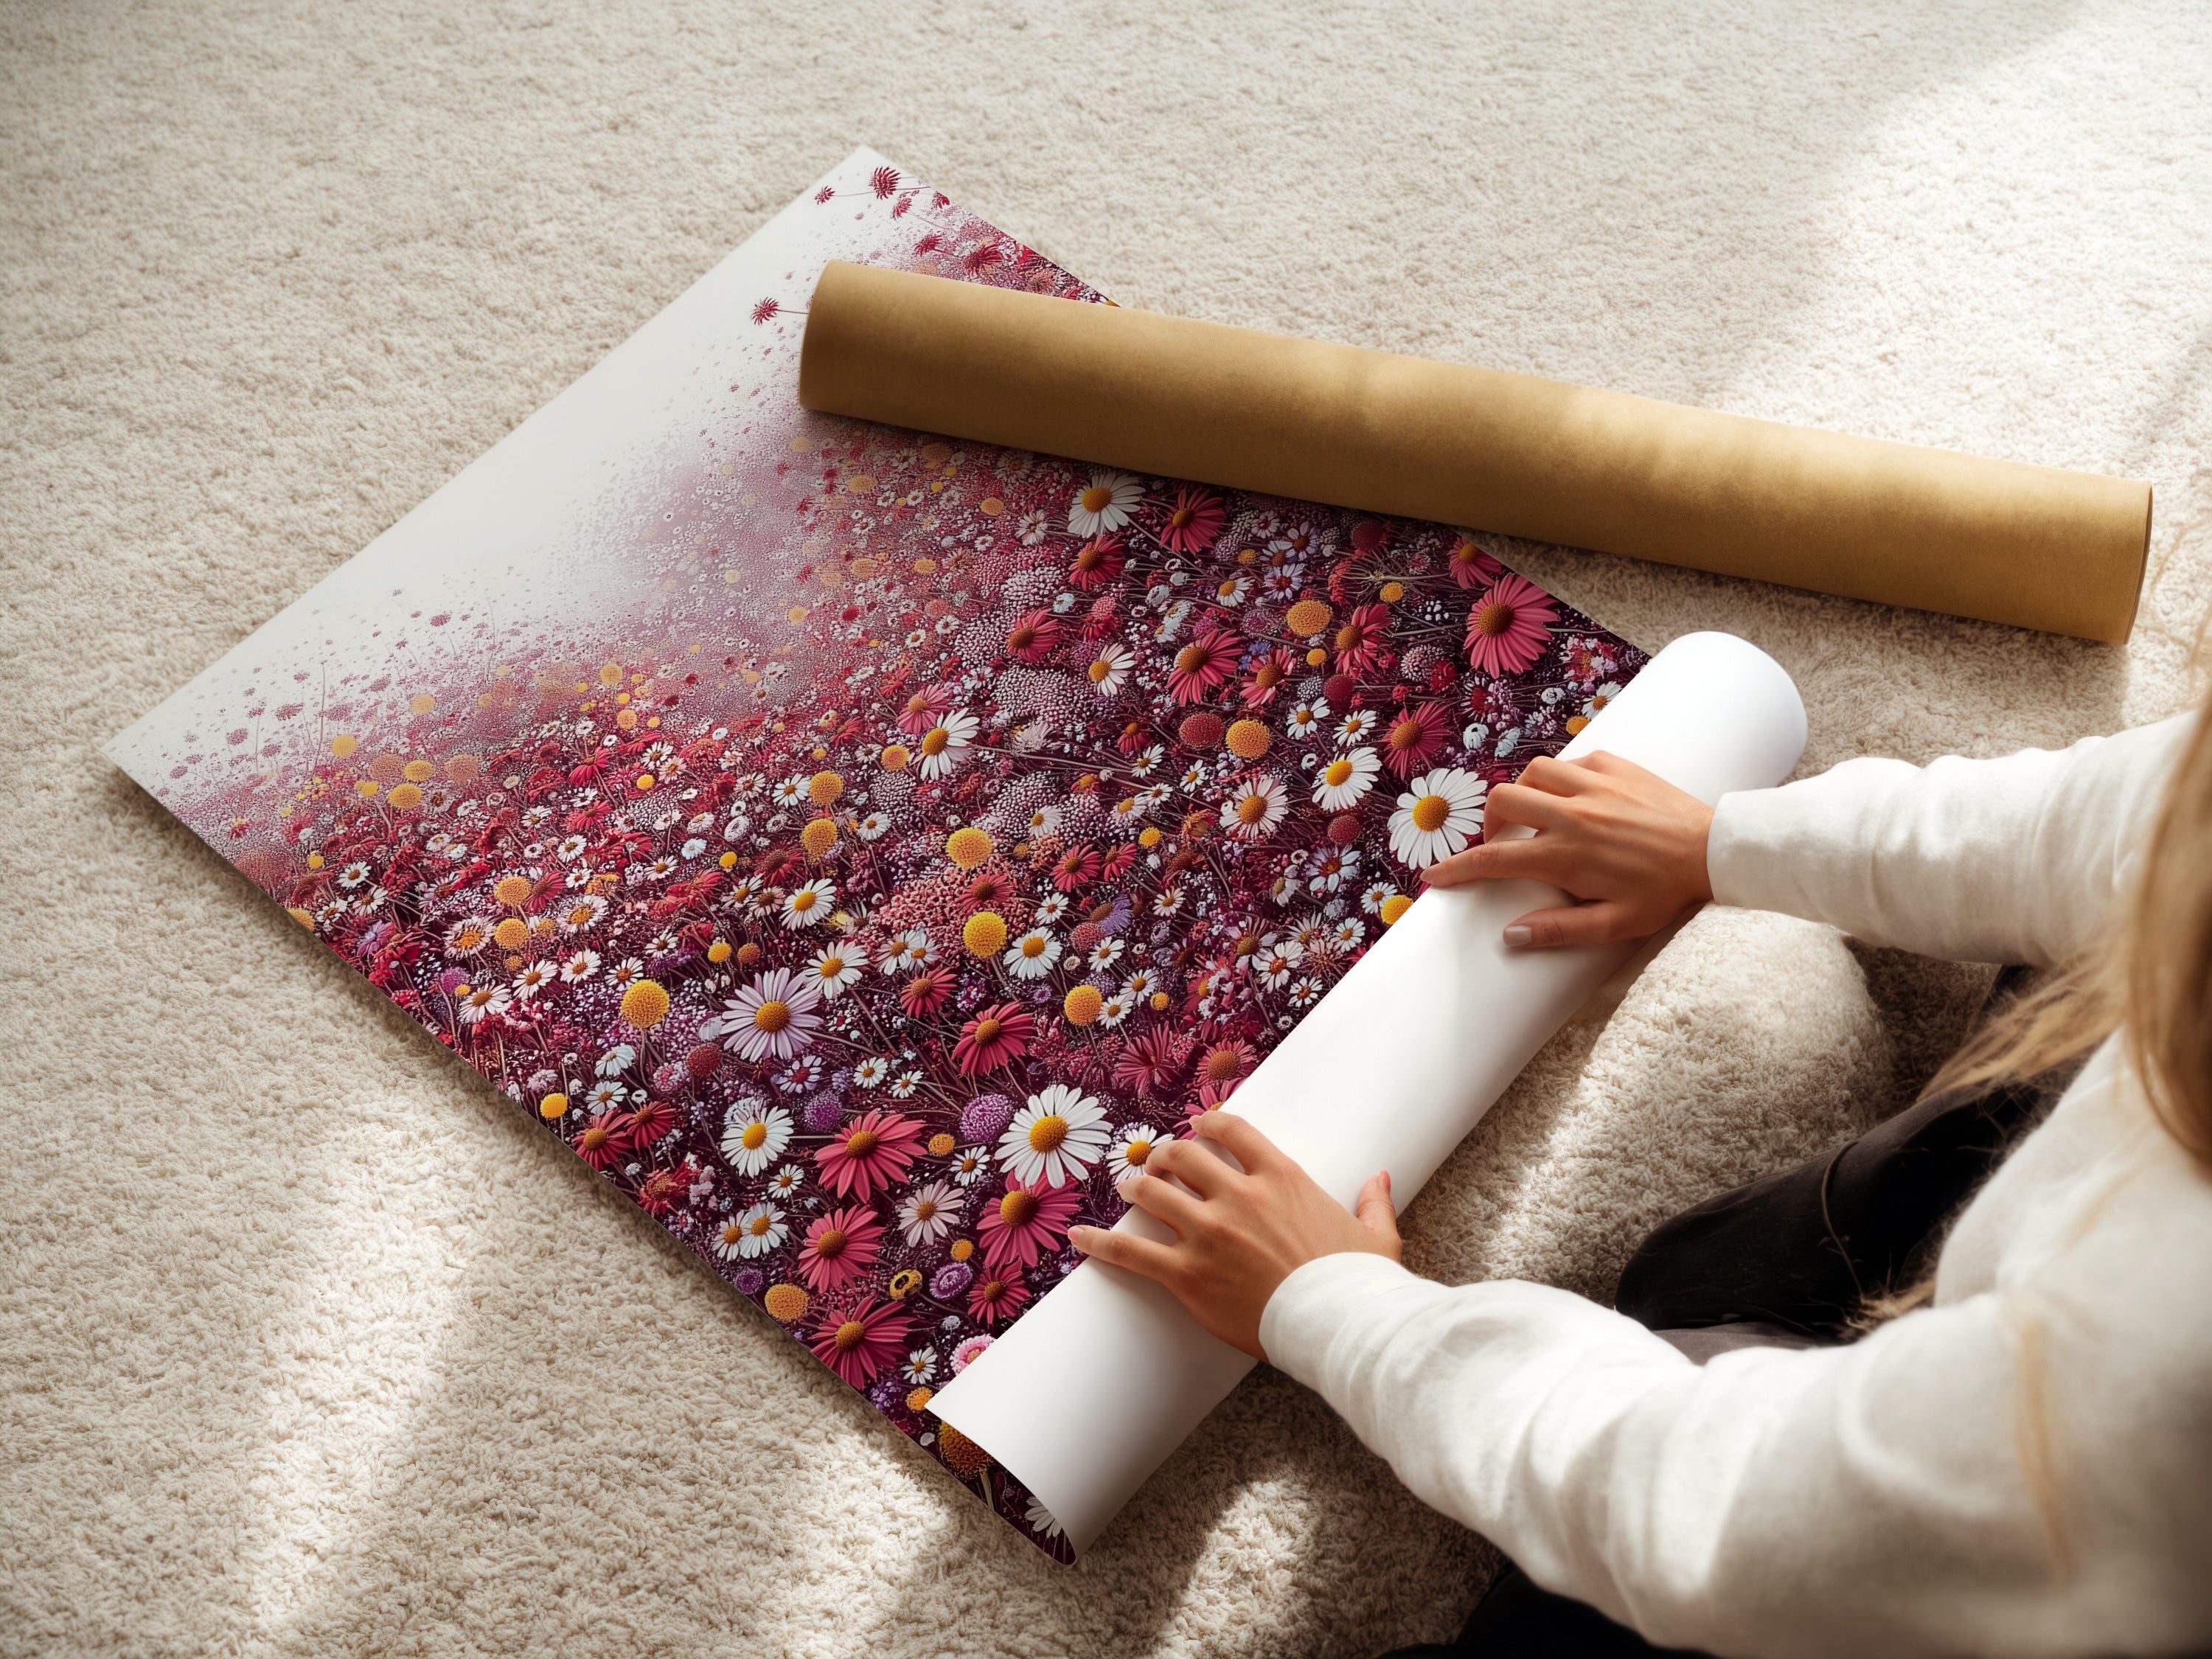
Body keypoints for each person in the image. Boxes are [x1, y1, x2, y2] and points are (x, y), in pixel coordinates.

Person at [1070, 709, 2212, 1657]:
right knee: (1700, 1273)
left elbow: (1717, 1512)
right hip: (2065, 1342)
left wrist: (1338, 1307)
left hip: (2063, 1552)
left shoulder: (2159, 1375)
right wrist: (1721, 841)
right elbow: (2120, 819)